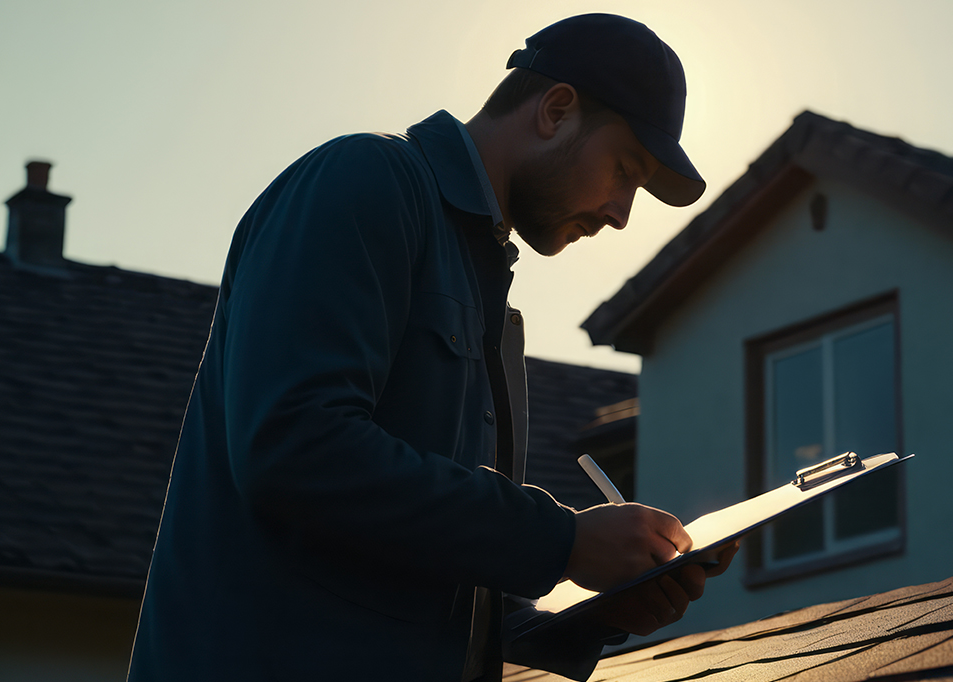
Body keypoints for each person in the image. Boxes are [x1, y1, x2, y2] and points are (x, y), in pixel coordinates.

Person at [127, 13, 736, 682]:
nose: (622, 213)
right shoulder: (364, 180)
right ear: (556, 110)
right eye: (624, 171)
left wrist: (602, 610)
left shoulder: (492, 312)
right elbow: (292, 445)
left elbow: (441, 587)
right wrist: (561, 540)